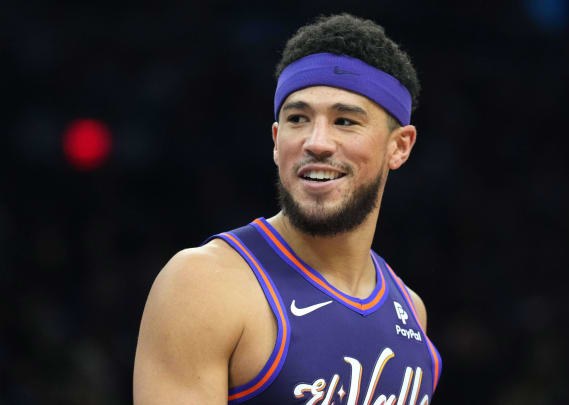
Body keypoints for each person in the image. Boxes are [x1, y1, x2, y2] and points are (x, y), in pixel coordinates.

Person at [133, 13, 441, 405]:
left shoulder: (410, 310)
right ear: (277, 140)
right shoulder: (204, 284)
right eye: (298, 119)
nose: (316, 142)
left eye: (345, 121)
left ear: (399, 147)